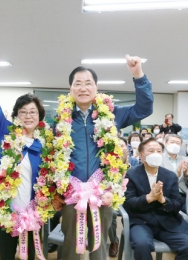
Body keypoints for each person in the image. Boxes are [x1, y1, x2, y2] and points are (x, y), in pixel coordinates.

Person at [52, 54, 154, 260]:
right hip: (73, 193)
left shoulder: (111, 113)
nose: (83, 88)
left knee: (99, 246)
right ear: (70, 89)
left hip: (103, 192)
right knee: (70, 245)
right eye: (77, 83)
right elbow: (53, 157)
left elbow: (144, 108)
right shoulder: (61, 119)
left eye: (88, 83)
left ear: (96, 88)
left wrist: (138, 76)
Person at [0, 52, 51, 260]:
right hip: (6, 208)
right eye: (23, 111)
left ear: (40, 117)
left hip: (33, 209)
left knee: (31, 255)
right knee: (7, 255)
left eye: (33, 112)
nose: (28, 116)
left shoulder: (46, 144)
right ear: (16, 115)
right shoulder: (5, 132)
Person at [124, 138, 188, 260]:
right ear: (142, 156)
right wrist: (148, 198)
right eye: (151, 151)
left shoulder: (170, 176)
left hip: (167, 222)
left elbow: (177, 204)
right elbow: (128, 203)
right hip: (141, 222)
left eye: (158, 151)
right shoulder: (131, 174)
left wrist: (163, 200)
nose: (155, 154)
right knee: (142, 245)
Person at [108, 137, 139, 257]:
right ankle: (114, 241)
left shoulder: (135, 162)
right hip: (114, 196)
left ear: (127, 147)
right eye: (117, 146)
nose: (120, 148)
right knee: (110, 212)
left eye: (123, 146)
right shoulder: (108, 161)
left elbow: (135, 179)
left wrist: (126, 163)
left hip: (130, 196)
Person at [161, 134, 188, 216]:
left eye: (177, 143)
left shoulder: (186, 160)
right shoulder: (160, 158)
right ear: (165, 143)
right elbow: (160, 181)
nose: (175, 145)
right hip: (167, 195)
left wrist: (186, 175)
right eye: (172, 142)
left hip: (183, 195)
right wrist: (176, 175)